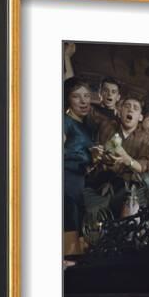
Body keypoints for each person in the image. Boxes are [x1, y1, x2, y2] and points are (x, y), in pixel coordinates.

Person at [63, 78, 103, 255]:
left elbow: (85, 162)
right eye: (76, 96)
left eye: (86, 96)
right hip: (65, 181)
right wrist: (84, 155)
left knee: (78, 232)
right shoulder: (64, 121)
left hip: (79, 184)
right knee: (70, 227)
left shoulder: (87, 127)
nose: (84, 101)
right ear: (67, 100)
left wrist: (93, 158)